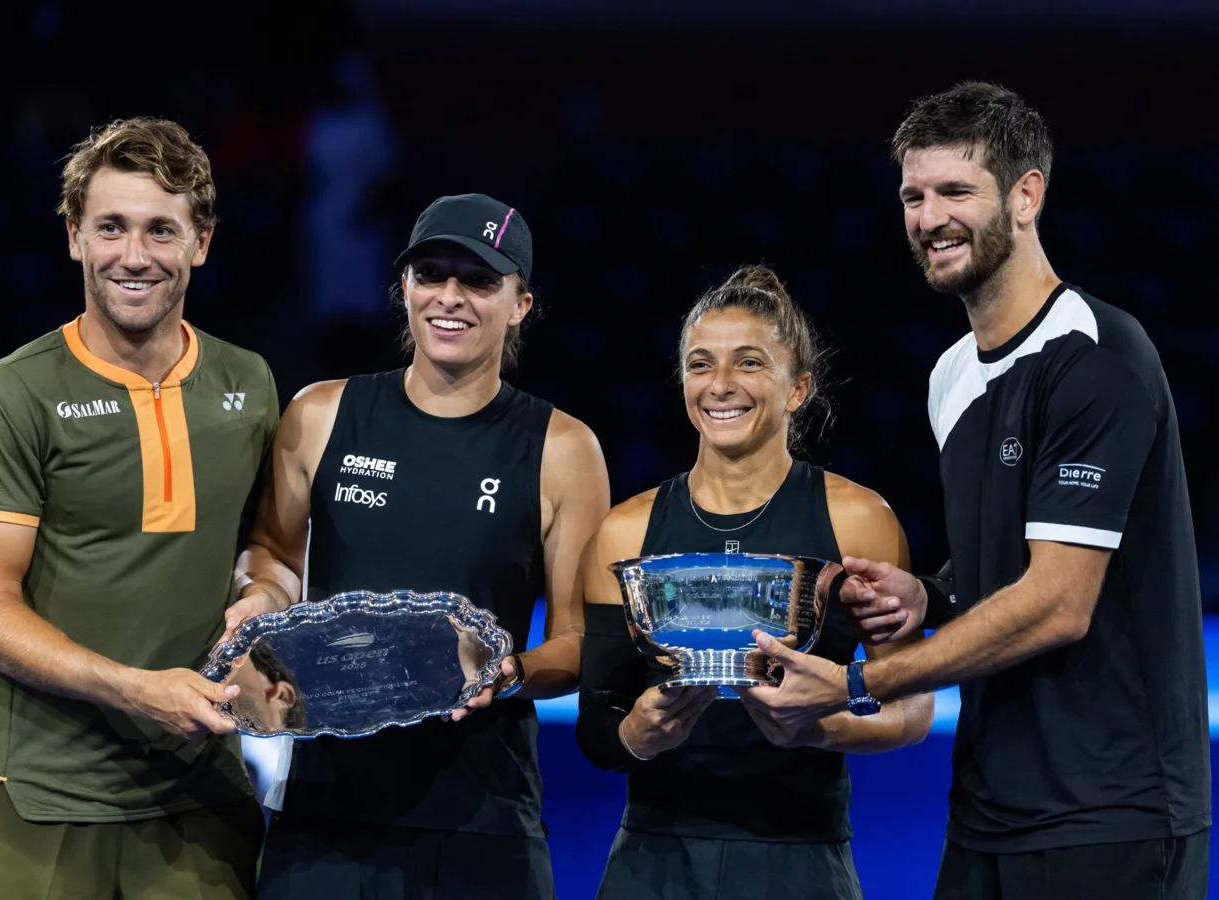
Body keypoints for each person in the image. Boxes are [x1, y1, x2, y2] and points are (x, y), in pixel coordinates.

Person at [750, 82, 1210, 899]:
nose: (929, 219)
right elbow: (1007, 554)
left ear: (1028, 194)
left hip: (1114, 816)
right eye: (913, 196)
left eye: (956, 191)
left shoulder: (1098, 356)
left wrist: (862, 683)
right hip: (988, 810)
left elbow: (1059, 601)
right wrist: (927, 594)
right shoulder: (952, 375)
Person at [227, 192, 610, 899]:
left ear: (521, 303)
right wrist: (258, 600)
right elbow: (274, 555)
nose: (450, 297)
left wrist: (504, 670)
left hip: (480, 814)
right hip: (326, 812)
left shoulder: (562, 449)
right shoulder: (320, 414)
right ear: (403, 287)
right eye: (430, 274)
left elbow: (581, 642)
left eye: (479, 281)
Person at [0, 117, 279, 899]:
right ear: (74, 237)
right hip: (35, 803)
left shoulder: (249, 383)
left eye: (162, 230)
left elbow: (263, 548)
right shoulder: (12, 394)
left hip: (200, 804)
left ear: (201, 242)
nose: (135, 256)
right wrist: (136, 688)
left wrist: (266, 595)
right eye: (112, 228)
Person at [576, 265, 934, 900]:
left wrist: (820, 726)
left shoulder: (859, 520)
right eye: (699, 364)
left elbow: (910, 708)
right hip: (654, 860)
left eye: (748, 363)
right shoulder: (623, 532)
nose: (720, 385)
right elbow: (598, 725)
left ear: (798, 388)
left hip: (801, 859)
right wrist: (635, 733)